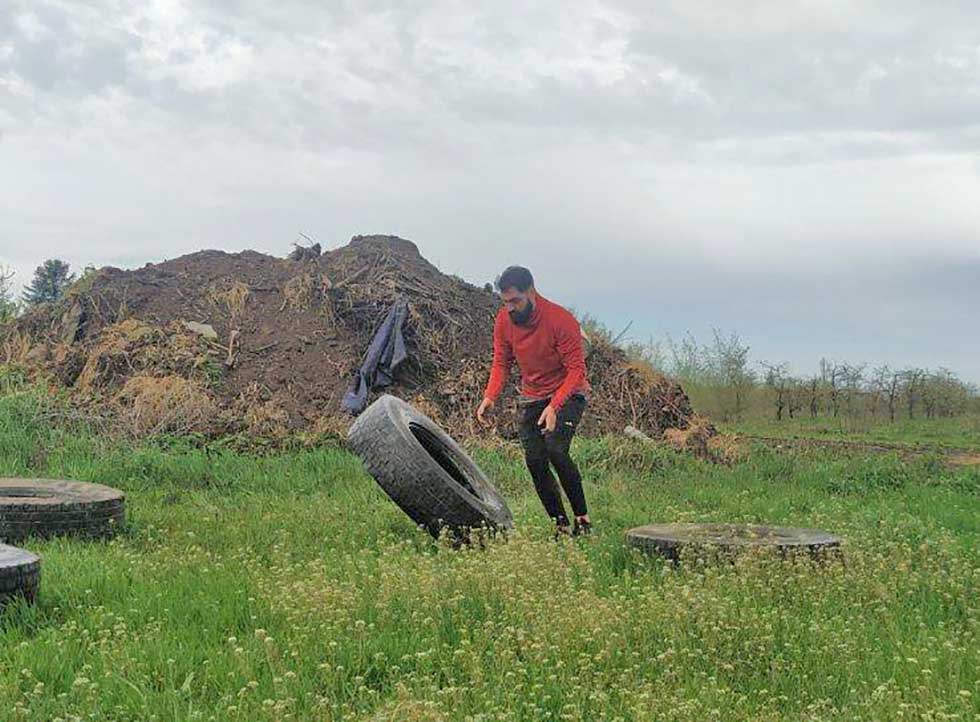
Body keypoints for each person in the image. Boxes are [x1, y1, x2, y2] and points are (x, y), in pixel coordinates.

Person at [476, 266, 592, 538]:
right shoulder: (504, 320)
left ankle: (583, 520)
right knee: (535, 460)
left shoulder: (560, 319)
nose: (510, 308)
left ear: (531, 292)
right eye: (505, 302)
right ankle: (560, 524)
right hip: (533, 396)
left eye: (515, 301)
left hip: (568, 391)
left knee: (556, 449)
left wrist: (554, 406)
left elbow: (577, 371)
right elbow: (501, 362)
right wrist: (490, 396)